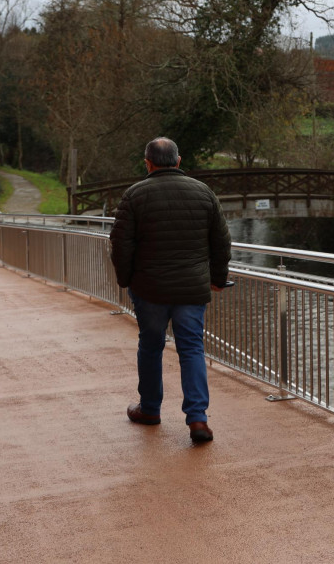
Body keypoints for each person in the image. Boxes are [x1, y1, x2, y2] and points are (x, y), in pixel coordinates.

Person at [108, 137, 232, 443]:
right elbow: (221, 242)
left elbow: (120, 244)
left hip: (149, 288)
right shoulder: (204, 193)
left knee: (151, 346)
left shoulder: (135, 195)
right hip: (192, 288)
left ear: (148, 163)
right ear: (177, 161)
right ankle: (198, 420)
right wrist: (217, 278)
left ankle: (149, 409)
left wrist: (126, 280)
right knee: (191, 348)